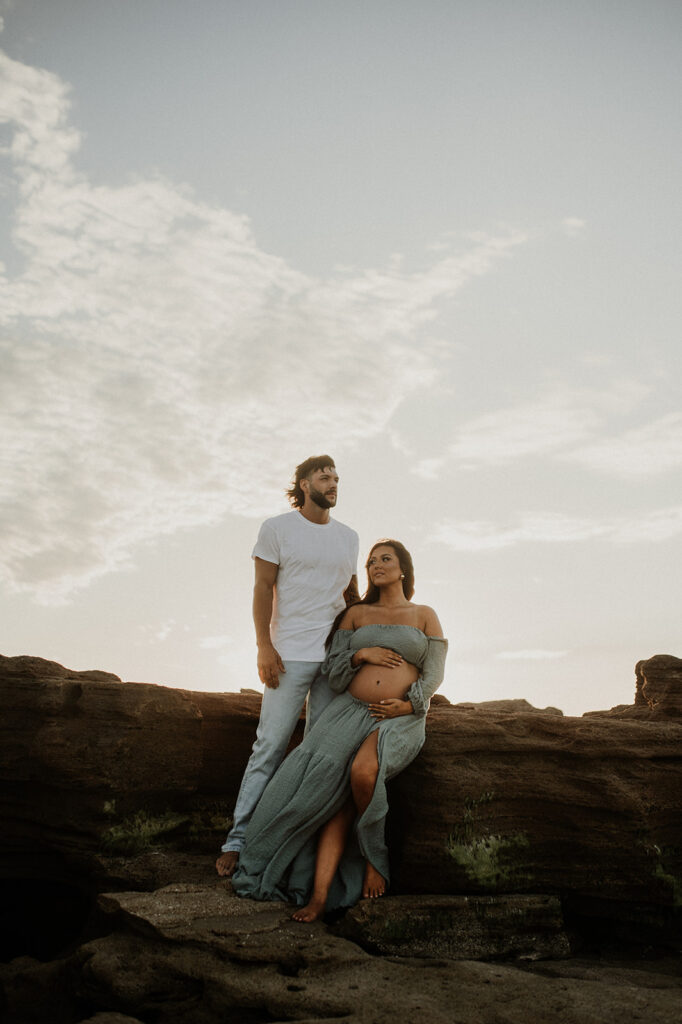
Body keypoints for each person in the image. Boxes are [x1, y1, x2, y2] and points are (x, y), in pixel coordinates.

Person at [230, 539, 448, 922]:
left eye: (385, 559)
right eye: (371, 561)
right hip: (348, 713)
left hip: (398, 717)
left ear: (402, 570)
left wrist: (412, 704)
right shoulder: (356, 614)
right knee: (321, 793)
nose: (376, 565)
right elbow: (333, 670)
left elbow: (434, 671)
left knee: (363, 772)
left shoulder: (424, 614)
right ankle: (314, 896)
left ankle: (374, 859)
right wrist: (361, 654)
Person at [215, 455, 359, 879]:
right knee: (269, 748)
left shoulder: (349, 537)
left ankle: (296, 843)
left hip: (333, 658)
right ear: (303, 483)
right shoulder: (277, 528)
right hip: (289, 655)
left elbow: (350, 594)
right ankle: (238, 840)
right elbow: (262, 588)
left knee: (319, 756)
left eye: (336, 477)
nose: (332, 483)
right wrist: (264, 646)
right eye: (323, 476)